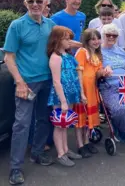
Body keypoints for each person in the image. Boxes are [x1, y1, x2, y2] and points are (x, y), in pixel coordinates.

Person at [4, 0, 56, 185]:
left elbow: (62, 45)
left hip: (47, 80)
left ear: (45, 4)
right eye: (31, 1)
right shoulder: (17, 26)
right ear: (26, 4)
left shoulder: (51, 25)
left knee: (44, 119)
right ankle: (15, 168)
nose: (35, 5)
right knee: (22, 124)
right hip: (27, 83)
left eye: (39, 1)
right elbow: (9, 57)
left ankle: (37, 153)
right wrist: (19, 81)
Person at [47, 26, 83, 166]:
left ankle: (66, 149)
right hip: (60, 96)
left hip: (70, 94)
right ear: (58, 40)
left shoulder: (68, 56)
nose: (70, 41)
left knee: (65, 123)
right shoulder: (55, 58)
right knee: (59, 124)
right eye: (66, 39)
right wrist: (62, 101)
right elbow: (56, 81)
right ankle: (60, 153)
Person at [73, 29, 108, 158]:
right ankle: (80, 145)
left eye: (98, 38)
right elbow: (79, 72)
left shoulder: (97, 54)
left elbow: (97, 73)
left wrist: (105, 71)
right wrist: (81, 93)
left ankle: (87, 141)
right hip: (83, 89)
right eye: (93, 39)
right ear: (87, 41)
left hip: (92, 90)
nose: (96, 41)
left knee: (89, 117)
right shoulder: (82, 52)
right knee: (80, 118)